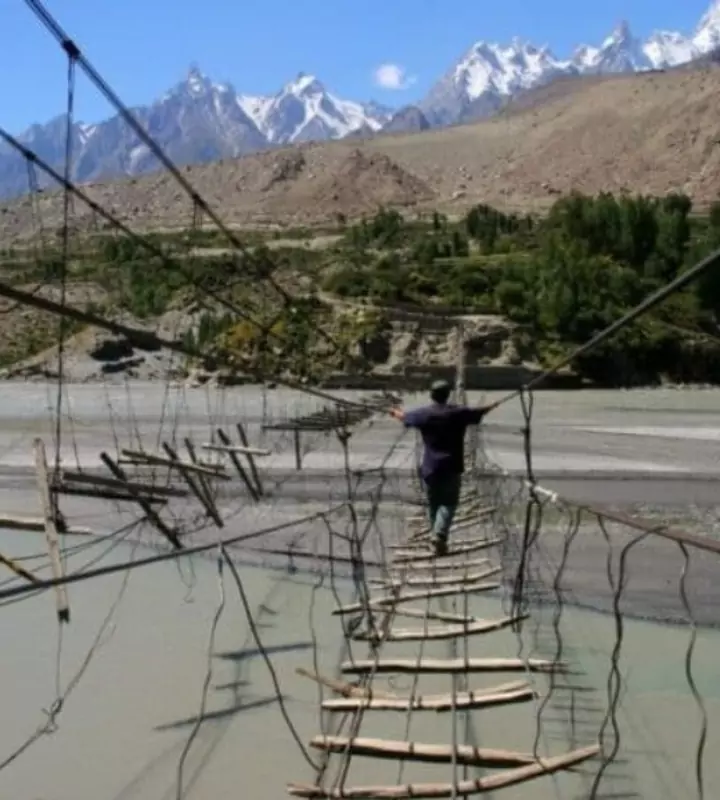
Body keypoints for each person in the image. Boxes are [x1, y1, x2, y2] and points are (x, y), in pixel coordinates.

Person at [389, 380, 496, 556]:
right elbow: (478, 412)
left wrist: (394, 413)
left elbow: (405, 417)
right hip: (452, 466)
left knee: (434, 504)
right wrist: (493, 405)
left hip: (430, 468)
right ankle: (439, 535)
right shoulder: (458, 413)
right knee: (449, 503)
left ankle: (436, 539)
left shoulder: (424, 414)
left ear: (432, 395)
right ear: (448, 395)